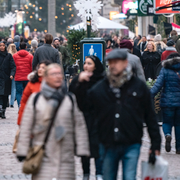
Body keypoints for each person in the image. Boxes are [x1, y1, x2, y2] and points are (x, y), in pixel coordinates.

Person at [88, 49, 161, 180]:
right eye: (111, 62)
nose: (113, 65)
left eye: (117, 62)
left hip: (131, 141)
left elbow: (150, 116)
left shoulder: (138, 86)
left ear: (125, 63)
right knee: (108, 176)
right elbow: (90, 115)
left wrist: (155, 143)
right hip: (107, 142)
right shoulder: (100, 88)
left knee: (129, 176)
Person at [17, 63, 90, 180]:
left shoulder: (69, 99)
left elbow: (79, 125)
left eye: (59, 74)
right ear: (46, 77)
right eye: (53, 74)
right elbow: (26, 126)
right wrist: (22, 150)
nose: (57, 77)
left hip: (65, 155)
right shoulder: (36, 99)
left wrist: (82, 149)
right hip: (42, 153)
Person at [69, 56, 104, 180]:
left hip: (99, 119)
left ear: (95, 65)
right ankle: (86, 174)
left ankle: (99, 173)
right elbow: (71, 93)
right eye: (85, 63)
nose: (86, 66)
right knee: (84, 147)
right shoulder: (80, 79)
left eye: (89, 63)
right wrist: (78, 80)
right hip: (83, 118)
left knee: (98, 147)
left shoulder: (102, 79)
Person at [151, 53, 180, 154]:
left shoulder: (165, 70)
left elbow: (158, 85)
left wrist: (148, 95)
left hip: (167, 102)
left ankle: (168, 134)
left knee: (167, 122)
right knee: (178, 124)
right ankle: (178, 148)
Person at [17, 60, 51, 125]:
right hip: (33, 118)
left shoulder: (52, 84)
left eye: (43, 68)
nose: (40, 69)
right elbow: (24, 102)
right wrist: (20, 122)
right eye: (39, 67)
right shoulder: (32, 84)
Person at [13, 42, 33, 107]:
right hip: (27, 77)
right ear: (26, 47)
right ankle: (26, 105)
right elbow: (32, 67)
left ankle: (20, 105)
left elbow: (13, 66)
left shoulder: (15, 56)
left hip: (18, 77)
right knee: (27, 92)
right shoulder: (30, 56)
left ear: (19, 47)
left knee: (18, 93)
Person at [0, 41, 16, 118]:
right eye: (0, 46)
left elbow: (13, 66)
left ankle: (3, 110)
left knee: (5, 95)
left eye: (3, 45)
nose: (2, 47)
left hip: (6, 78)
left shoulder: (8, 56)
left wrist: (12, 74)